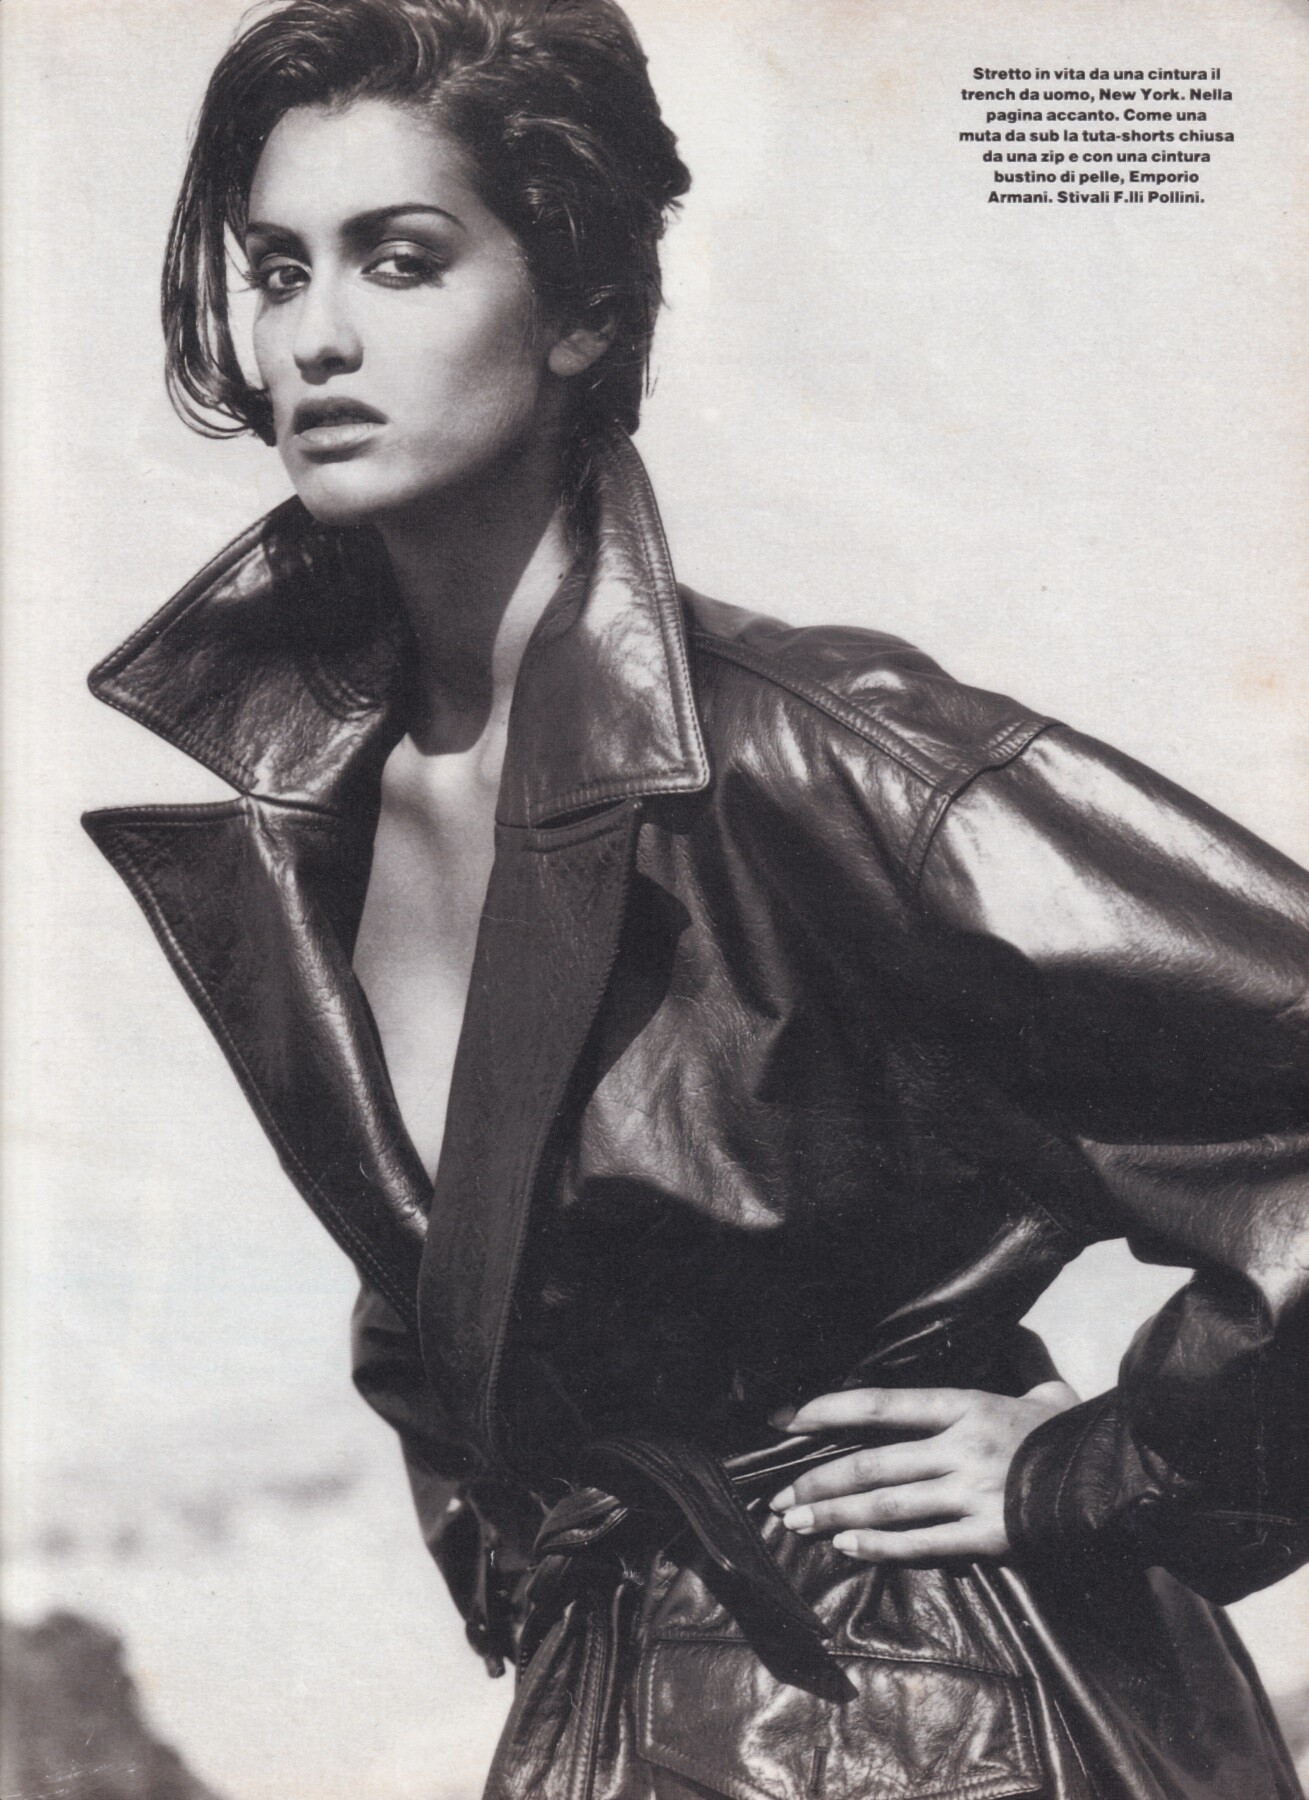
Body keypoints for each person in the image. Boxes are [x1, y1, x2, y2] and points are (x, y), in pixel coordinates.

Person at [82, 1, 1309, 1796]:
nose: (315, 334)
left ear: (582, 308)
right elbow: (443, 1314)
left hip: (931, 1719)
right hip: (604, 1714)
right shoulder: (311, 819)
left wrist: (1107, 1468)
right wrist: (529, 1570)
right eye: (278, 270)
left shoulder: (814, 756)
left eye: (401, 260)